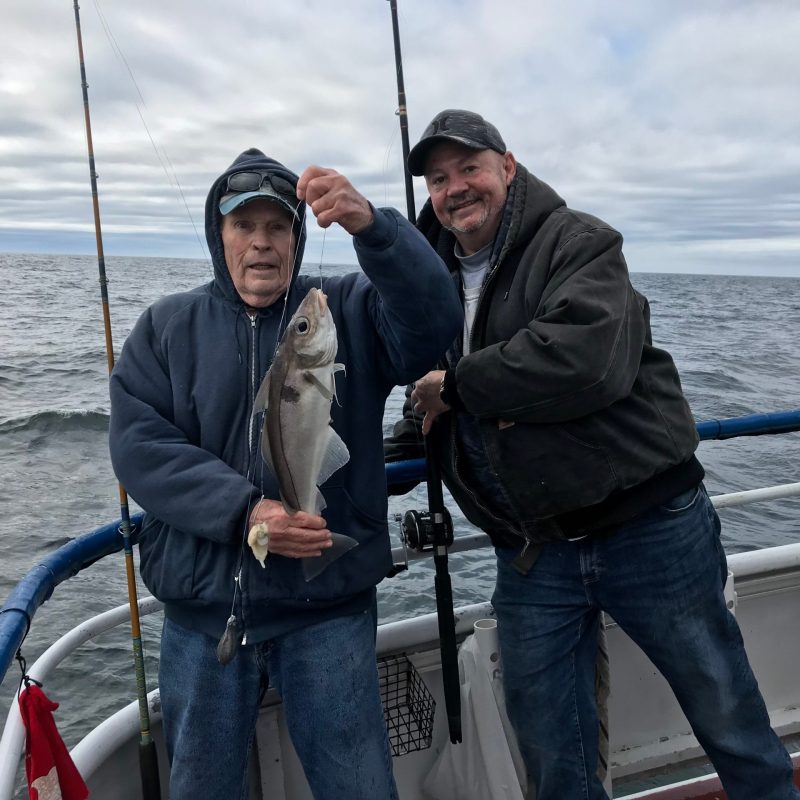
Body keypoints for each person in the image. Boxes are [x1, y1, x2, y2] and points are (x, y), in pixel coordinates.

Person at [384, 109, 800, 800]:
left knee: (727, 714)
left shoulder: (578, 242)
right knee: (552, 754)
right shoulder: (426, 280)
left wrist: (456, 386)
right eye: (437, 178)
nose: (455, 188)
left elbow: (586, 360)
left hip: (652, 528)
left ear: (507, 168)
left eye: (469, 168)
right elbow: (425, 388)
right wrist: (394, 448)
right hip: (532, 549)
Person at [108, 146, 462, 800]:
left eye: (278, 227)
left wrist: (376, 231)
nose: (262, 244)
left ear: (299, 237)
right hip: (205, 612)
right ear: (222, 237)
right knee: (201, 789)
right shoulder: (165, 328)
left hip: (326, 607)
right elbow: (138, 445)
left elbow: (437, 317)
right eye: (245, 226)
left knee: (359, 784)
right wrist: (245, 510)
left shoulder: (346, 308)